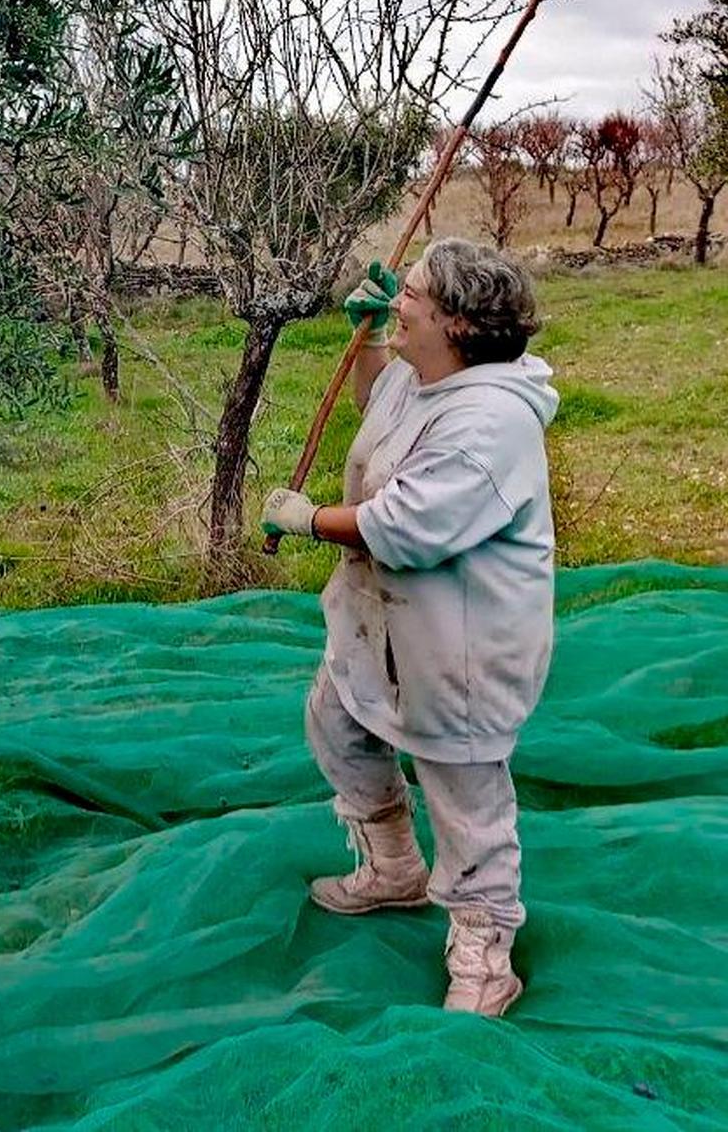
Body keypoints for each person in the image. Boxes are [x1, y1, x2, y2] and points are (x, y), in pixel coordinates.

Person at [261, 237, 558, 1018]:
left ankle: (484, 948)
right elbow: (379, 406)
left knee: (465, 801)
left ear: (457, 324)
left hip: (458, 645)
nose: (399, 299)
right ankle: (393, 869)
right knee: (338, 725)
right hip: (381, 625)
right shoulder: (427, 378)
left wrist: (309, 520)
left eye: (414, 296)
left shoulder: (492, 421)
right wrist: (372, 342)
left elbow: (407, 525)